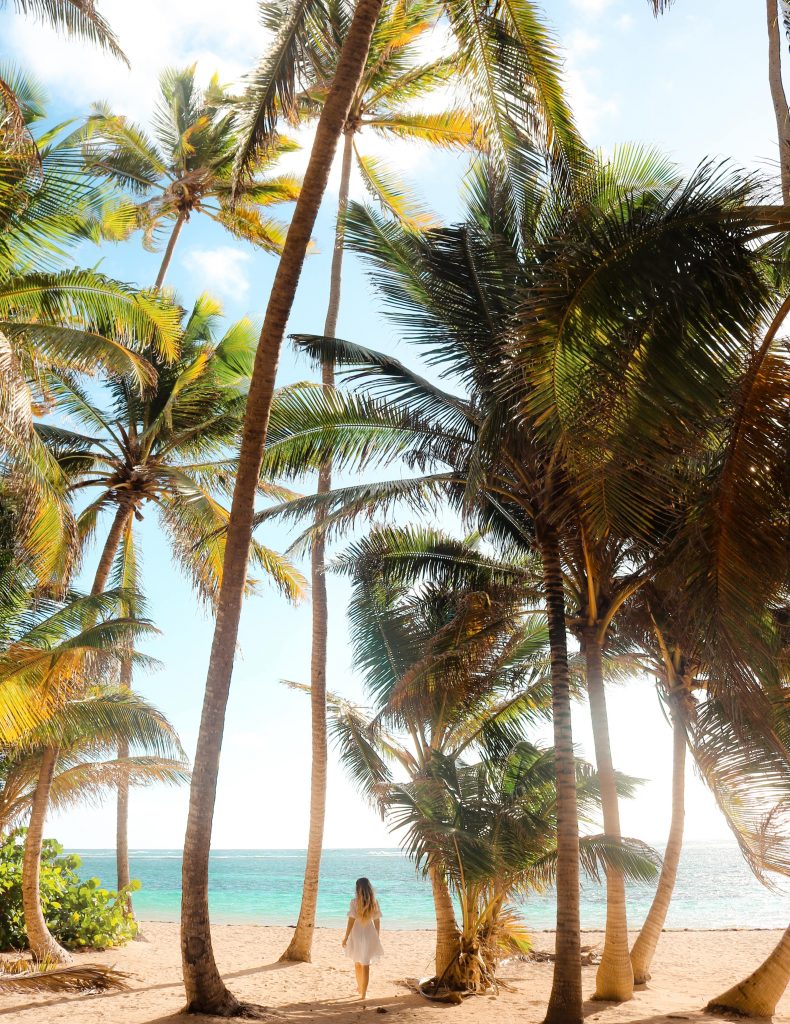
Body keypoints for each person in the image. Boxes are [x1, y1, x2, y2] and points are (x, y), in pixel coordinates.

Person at [342, 877, 384, 1001]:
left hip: (356, 933)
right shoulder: (374, 902)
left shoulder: (354, 902)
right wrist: (377, 936)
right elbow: (377, 921)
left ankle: (360, 988)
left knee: (357, 963)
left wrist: (346, 936)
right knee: (365, 964)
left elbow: (351, 920)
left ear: (357, 888)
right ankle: (363, 994)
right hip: (369, 933)